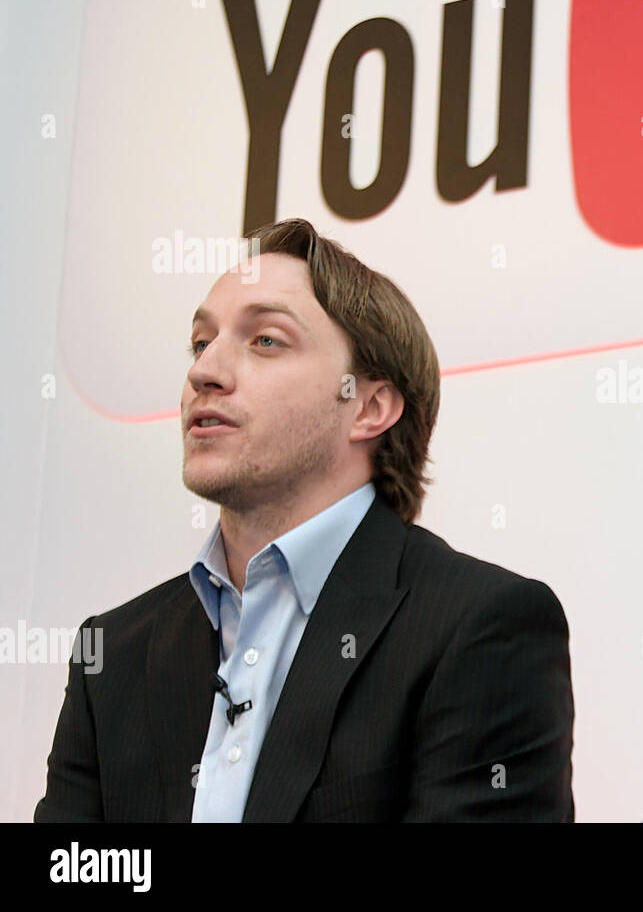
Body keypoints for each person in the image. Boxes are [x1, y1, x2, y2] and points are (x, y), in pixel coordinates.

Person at [35, 218, 574, 821]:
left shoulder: (480, 626)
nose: (203, 372)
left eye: (265, 340)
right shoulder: (112, 653)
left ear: (368, 406)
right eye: (200, 342)